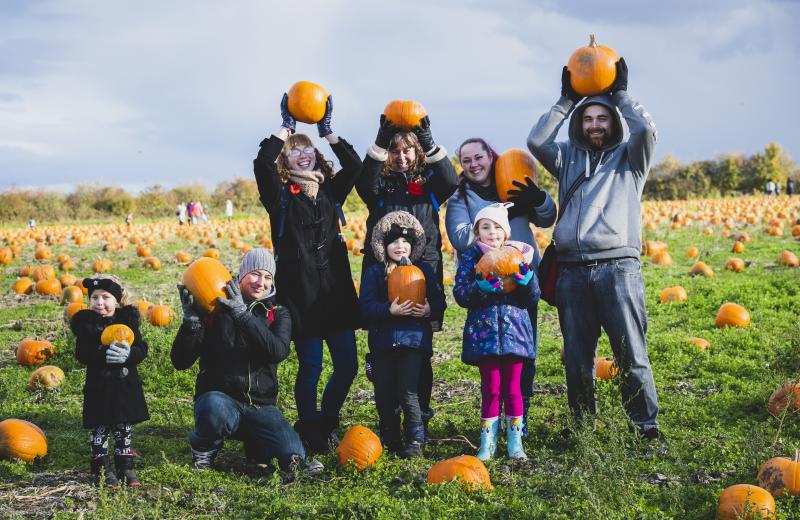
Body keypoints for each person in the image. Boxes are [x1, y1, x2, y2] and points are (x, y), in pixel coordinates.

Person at [527, 58, 662, 443]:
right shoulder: (567, 157)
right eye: (588, 119)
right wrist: (566, 101)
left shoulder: (632, 159)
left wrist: (620, 94)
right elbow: (536, 141)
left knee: (630, 354)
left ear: (614, 121)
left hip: (618, 269)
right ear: (579, 124)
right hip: (571, 272)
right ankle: (583, 427)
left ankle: (645, 428)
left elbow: (647, 129)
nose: (595, 125)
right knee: (577, 359)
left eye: (603, 118)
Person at [253, 94, 361, 453]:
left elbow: (356, 167)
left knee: (347, 365)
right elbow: (261, 163)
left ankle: (328, 419)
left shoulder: (331, 191)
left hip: (336, 293)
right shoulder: (279, 195)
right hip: (300, 295)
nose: (303, 154)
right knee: (311, 366)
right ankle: (311, 427)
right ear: (286, 158)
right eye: (295, 150)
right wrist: (287, 128)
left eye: (307, 149)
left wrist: (327, 131)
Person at [171, 248, 322, 479]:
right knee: (213, 409)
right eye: (255, 274)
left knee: (292, 455)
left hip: (261, 405)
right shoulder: (215, 308)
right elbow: (180, 361)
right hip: (220, 399)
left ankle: (255, 443)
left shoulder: (278, 313)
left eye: (268, 277)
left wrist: (242, 315)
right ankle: (203, 446)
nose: (261, 282)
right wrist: (192, 324)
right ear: (241, 274)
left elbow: (277, 351)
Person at [445, 137, 556, 436]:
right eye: (466, 160)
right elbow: (458, 238)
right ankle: (494, 420)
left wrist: (537, 199)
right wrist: (494, 216)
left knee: (524, 352)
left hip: (522, 282)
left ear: (491, 156)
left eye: (478, 157)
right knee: (492, 360)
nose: (473, 164)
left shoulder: (513, 184)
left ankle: (521, 419)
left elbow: (547, 218)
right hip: (486, 285)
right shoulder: (460, 199)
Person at [355, 113, 458, 436]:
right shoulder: (379, 186)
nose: (401, 157)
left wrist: (428, 141)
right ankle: (388, 416)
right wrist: (380, 140)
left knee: (419, 351)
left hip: (421, 274)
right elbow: (363, 183)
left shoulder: (428, 186)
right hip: (381, 273)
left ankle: (418, 417)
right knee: (384, 346)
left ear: (417, 154)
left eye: (408, 151)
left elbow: (451, 181)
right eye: (395, 151)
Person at [452, 202, 539, 460]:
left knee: (513, 389)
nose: (492, 232)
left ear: (506, 232)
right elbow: (460, 294)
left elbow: (533, 298)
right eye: (485, 227)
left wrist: (527, 283)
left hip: (515, 336)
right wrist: (480, 288)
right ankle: (486, 444)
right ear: (477, 232)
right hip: (485, 337)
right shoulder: (471, 258)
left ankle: (515, 442)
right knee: (490, 389)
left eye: (497, 227)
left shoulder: (519, 257)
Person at [359, 211, 445, 458]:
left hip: (413, 341)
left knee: (409, 391)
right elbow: (365, 307)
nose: (400, 246)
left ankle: (415, 439)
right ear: (384, 246)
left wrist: (429, 309)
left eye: (405, 242)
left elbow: (439, 301)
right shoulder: (376, 273)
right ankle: (390, 438)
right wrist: (389, 310)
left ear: (413, 246)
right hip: (383, 343)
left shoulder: (423, 271)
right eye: (394, 242)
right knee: (384, 393)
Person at [70, 274, 149, 487]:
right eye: (95, 297)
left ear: (117, 299)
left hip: (125, 387)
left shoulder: (128, 322)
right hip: (99, 387)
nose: (100, 303)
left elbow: (142, 348)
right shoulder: (87, 325)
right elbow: (82, 353)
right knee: (101, 428)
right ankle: (102, 469)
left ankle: (126, 467)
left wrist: (129, 355)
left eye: (105, 297)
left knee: (123, 428)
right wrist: (102, 352)